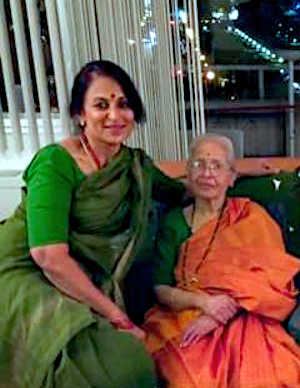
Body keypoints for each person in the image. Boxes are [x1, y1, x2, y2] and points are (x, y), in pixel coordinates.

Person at [0, 60, 187, 388]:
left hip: (87, 277)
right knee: (116, 368)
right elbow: (48, 255)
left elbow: (180, 191)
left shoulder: (133, 165)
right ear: (80, 114)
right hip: (29, 273)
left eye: (123, 104)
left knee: (127, 365)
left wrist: (238, 173)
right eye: (101, 105)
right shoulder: (55, 163)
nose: (115, 116)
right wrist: (117, 316)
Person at [142, 134, 300, 388]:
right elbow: (160, 287)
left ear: (231, 177)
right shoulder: (173, 221)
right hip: (183, 312)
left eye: (217, 166)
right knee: (189, 378)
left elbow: (270, 277)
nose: (207, 173)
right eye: (199, 164)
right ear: (189, 175)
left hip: (245, 312)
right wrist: (204, 303)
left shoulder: (250, 216)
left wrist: (218, 314)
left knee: (271, 376)